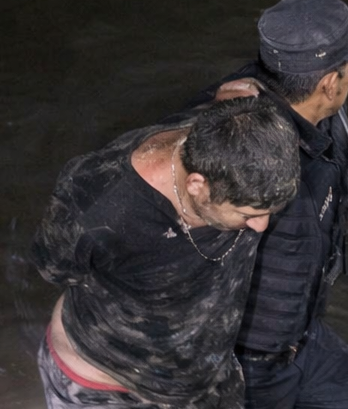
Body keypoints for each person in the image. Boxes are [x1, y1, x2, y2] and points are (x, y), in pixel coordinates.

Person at [193, 0, 348, 409]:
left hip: (304, 336)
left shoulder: (287, 92)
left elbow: (330, 123)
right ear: (330, 83)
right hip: (246, 362)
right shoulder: (242, 149)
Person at [31, 96, 301, 409]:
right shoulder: (99, 203)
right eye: (247, 214)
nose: (260, 225)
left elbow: (311, 99)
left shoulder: (247, 136)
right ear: (197, 185)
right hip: (106, 384)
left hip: (206, 382)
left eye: (271, 211)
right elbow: (52, 266)